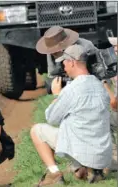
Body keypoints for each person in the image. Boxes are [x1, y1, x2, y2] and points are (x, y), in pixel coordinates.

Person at [30, 44, 112, 186]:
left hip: (80, 147)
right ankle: (89, 169)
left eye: (64, 63)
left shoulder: (72, 89)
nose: (64, 68)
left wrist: (56, 94)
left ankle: (54, 173)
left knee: (37, 131)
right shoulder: (100, 85)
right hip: (102, 153)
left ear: (72, 62)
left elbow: (51, 118)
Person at [102, 36, 118, 173]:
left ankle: (114, 159)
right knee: (105, 121)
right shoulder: (112, 64)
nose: (116, 49)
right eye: (114, 46)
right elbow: (104, 80)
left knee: (105, 123)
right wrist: (112, 96)